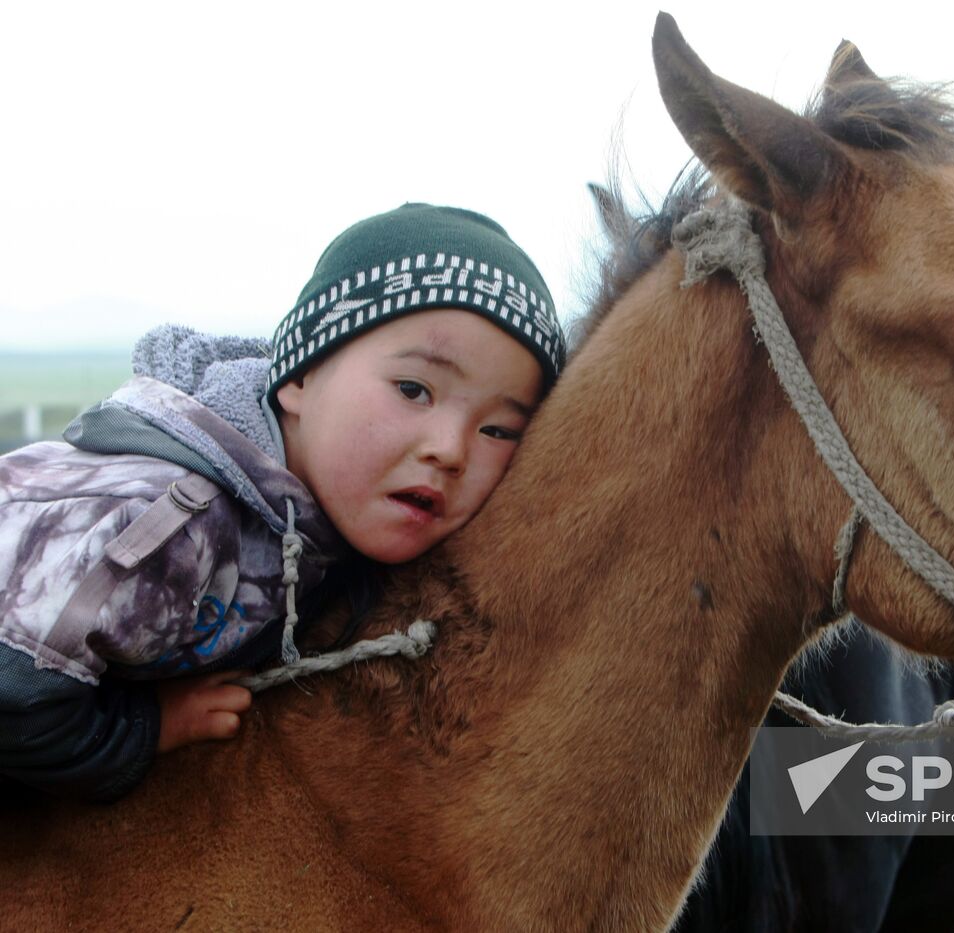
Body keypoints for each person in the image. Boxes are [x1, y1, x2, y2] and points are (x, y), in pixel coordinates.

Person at [0, 203, 563, 801]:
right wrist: (147, 727)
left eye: (499, 430)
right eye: (413, 389)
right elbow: (12, 700)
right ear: (298, 376)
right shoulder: (167, 526)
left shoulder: (328, 511)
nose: (451, 450)